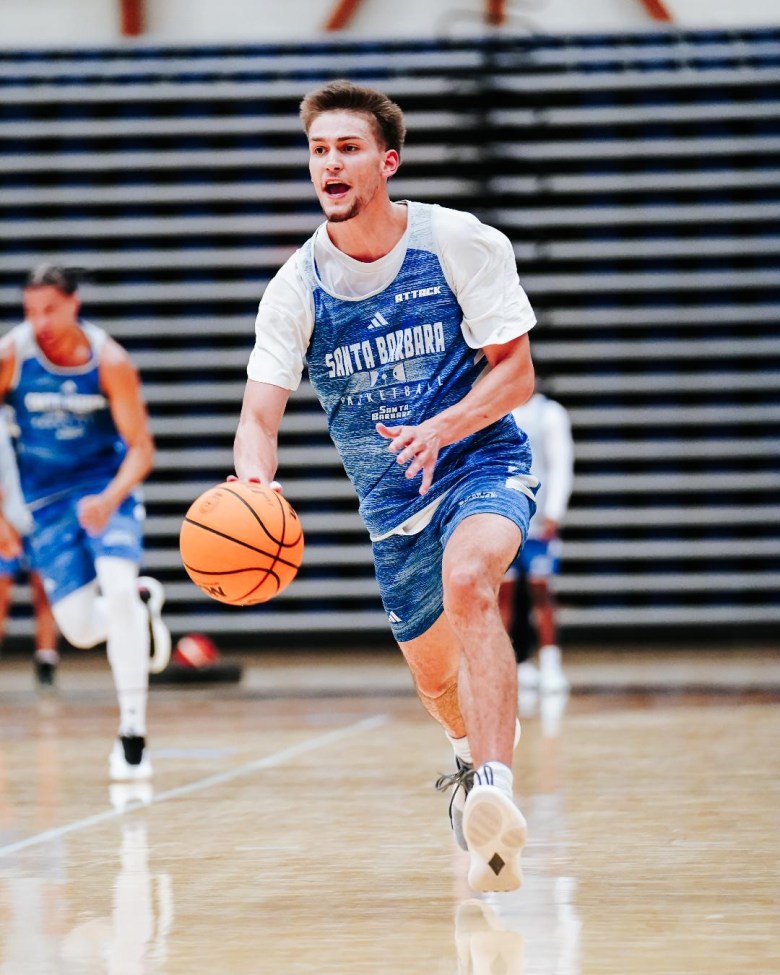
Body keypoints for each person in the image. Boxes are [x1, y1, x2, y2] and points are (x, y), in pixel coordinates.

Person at [234, 80, 540, 893]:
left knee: (472, 581)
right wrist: (254, 486)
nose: (329, 163)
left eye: (347, 147)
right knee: (435, 680)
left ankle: (496, 790)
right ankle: (463, 762)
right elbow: (259, 417)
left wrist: (444, 427)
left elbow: (517, 375)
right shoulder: (296, 288)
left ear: (387, 160)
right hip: (392, 509)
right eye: (318, 150)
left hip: (481, 463)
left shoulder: (457, 242)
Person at [0, 264, 171, 780]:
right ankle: (140, 606)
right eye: (31, 311)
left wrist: (110, 497)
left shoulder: (110, 361)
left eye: (49, 309)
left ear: (73, 305)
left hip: (105, 490)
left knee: (115, 590)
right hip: (44, 501)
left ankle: (133, 734)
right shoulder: (13, 356)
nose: (40, 321)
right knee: (77, 629)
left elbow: (141, 450)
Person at [499, 380, 574, 694]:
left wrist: (554, 511)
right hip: (505, 516)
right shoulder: (499, 410)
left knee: (541, 589)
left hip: (540, 517)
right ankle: (508, 665)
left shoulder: (549, 413)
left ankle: (551, 664)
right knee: (503, 594)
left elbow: (560, 465)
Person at [0, 410, 60, 689]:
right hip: (6, 512)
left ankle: (46, 661)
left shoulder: (39, 408)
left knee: (45, 591)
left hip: (43, 513)